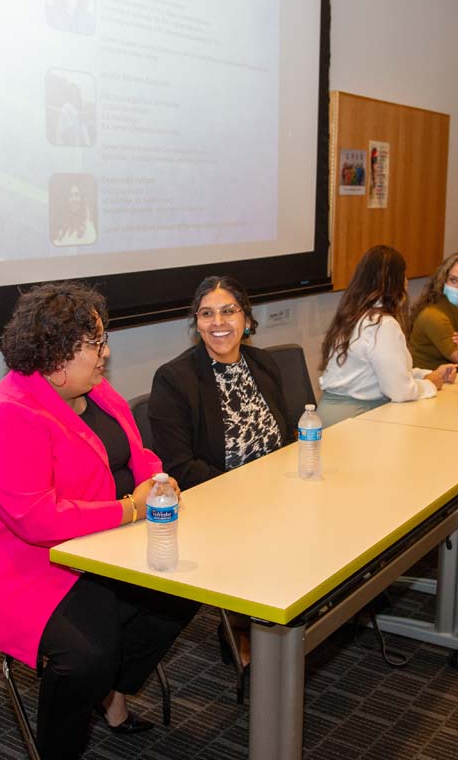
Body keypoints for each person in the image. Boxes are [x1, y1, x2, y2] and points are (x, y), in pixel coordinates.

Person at [0, 283, 198, 759]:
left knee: (178, 598)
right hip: (14, 565)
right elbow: (36, 520)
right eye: (95, 345)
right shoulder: (6, 416)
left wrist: (156, 479)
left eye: (102, 338)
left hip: (93, 543)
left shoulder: (94, 390)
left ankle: (110, 702)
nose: (106, 353)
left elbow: (136, 452)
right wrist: (132, 509)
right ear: (55, 363)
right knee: (87, 655)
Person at [149, 276, 294, 667]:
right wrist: (251, 491)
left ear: (246, 318)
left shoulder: (263, 362)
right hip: (218, 502)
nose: (219, 322)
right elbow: (180, 466)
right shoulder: (175, 379)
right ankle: (242, 625)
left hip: (277, 490)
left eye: (228, 311)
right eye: (207, 313)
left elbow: (288, 432)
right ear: (196, 323)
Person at [318, 245, 455, 426]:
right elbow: (399, 391)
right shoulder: (382, 324)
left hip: (332, 416)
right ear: (395, 282)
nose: (407, 282)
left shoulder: (353, 315)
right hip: (355, 421)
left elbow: (384, 372)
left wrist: (427, 374)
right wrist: (430, 383)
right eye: (404, 276)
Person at [52, 181, 97, 246]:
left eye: (77, 195)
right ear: (67, 199)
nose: (74, 199)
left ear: (82, 198)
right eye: (70, 195)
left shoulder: (89, 227)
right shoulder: (61, 225)